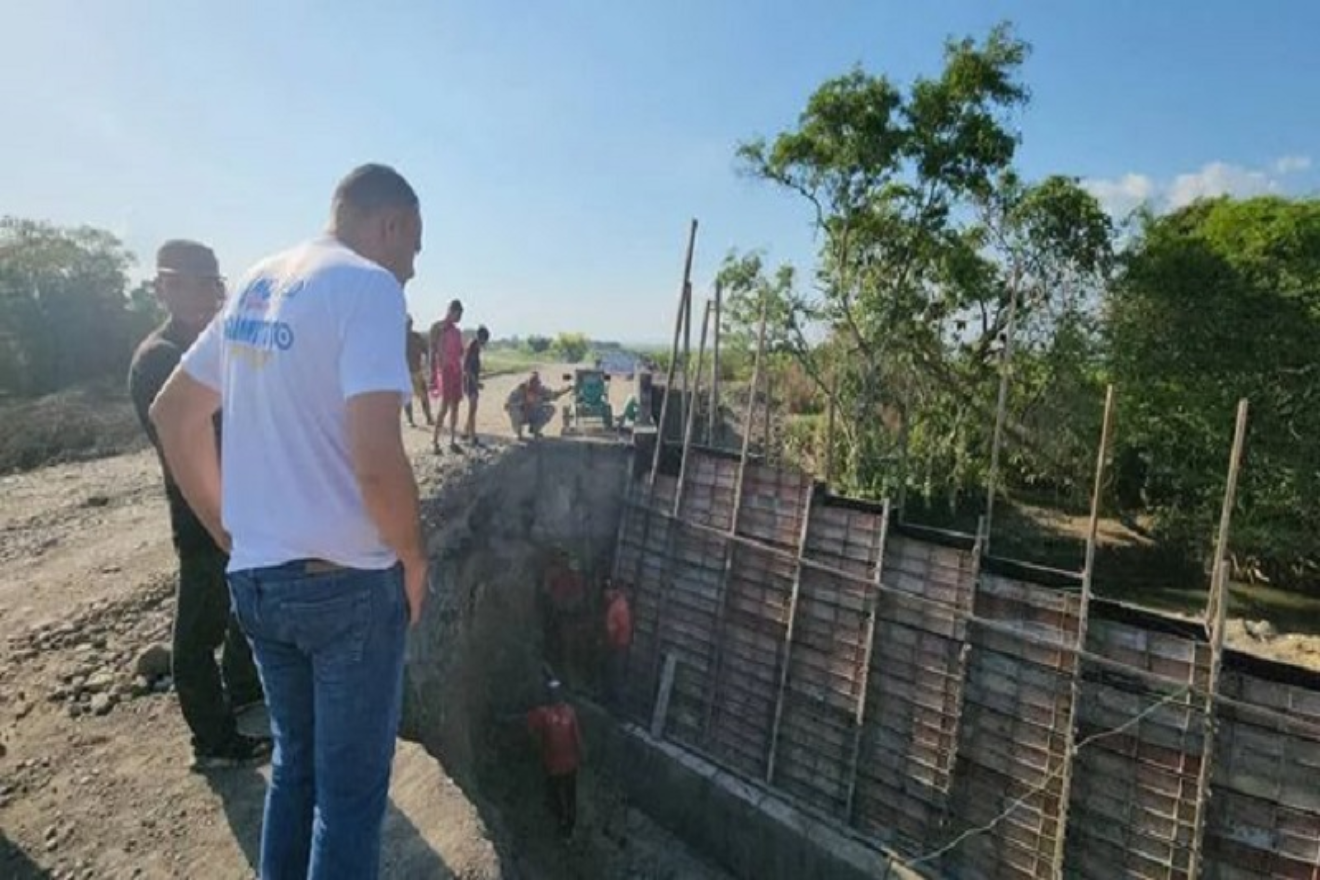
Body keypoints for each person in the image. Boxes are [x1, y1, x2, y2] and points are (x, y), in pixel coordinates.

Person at [149, 164, 428, 880]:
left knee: (296, 770)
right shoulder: (370, 288)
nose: (412, 267)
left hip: (260, 585)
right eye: (414, 247)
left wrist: (229, 532)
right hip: (346, 588)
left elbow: (174, 414)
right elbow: (377, 459)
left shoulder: (256, 282)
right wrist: (414, 557)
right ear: (390, 225)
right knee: (350, 801)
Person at [127, 240, 269, 771]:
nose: (202, 296)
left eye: (209, 285)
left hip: (239, 502)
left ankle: (243, 689)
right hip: (202, 509)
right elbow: (188, 441)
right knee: (197, 631)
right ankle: (213, 741)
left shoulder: (207, 346)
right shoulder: (160, 358)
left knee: (239, 605)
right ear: (162, 288)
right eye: (185, 284)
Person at [526, 680, 585, 841]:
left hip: (553, 766)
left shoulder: (543, 714)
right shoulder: (570, 712)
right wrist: (581, 756)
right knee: (570, 796)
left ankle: (560, 821)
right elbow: (578, 739)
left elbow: (527, 724)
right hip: (570, 765)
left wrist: (538, 745)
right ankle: (569, 827)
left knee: (554, 794)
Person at [429, 299, 464, 454]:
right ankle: (435, 441)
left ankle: (452, 441)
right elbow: (432, 352)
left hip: (456, 371)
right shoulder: (437, 328)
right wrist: (432, 375)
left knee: (455, 406)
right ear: (451, 311)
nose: (459, 318)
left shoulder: (457, 332)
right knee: (444, 407)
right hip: (445, 371)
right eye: (458, 314)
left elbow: (460, 352)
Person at [505, 371, 569, 440]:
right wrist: (519, 404)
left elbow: (554, 395)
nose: (534, 385)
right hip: (522, 415)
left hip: (534, 414)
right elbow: (507, 404)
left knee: (550, 409)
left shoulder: (541, 390)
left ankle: (535, 429)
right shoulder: (519, 390)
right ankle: (518, 432)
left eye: (536, 383)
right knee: (514, 410)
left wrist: (566, 389)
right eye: (532, 382)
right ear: (527, 382)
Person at [602, 579, 633, 710]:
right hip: (621, 644)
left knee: (616, 676)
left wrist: (611, 644)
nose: (605, 596)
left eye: (606, 592)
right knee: (615, 675)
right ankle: (614, 703)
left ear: (612, 591)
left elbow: (615, 629)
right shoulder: (620, 603)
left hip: (618, 646)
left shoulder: (616, 607)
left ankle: (619, 707)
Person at [461, 325, 490, 446]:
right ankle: (472, 436)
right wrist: (475, 383)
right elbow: (467, 368)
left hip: (472, 381)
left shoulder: (475, 347)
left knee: (473, 408)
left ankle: (466, 431)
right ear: (481, 338)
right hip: (469, 382)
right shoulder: (472, 347)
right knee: (473, 409)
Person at [404, 315, 433, 428]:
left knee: (424, 396)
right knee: (407, 398)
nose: (408, 326)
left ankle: (428, 417)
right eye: (406, 324)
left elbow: (426, 350)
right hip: (405, 373)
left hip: (417, 371)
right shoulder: (398, 339)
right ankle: (410, 420)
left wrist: (428, 364)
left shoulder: (417, 337)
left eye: (409, 323)